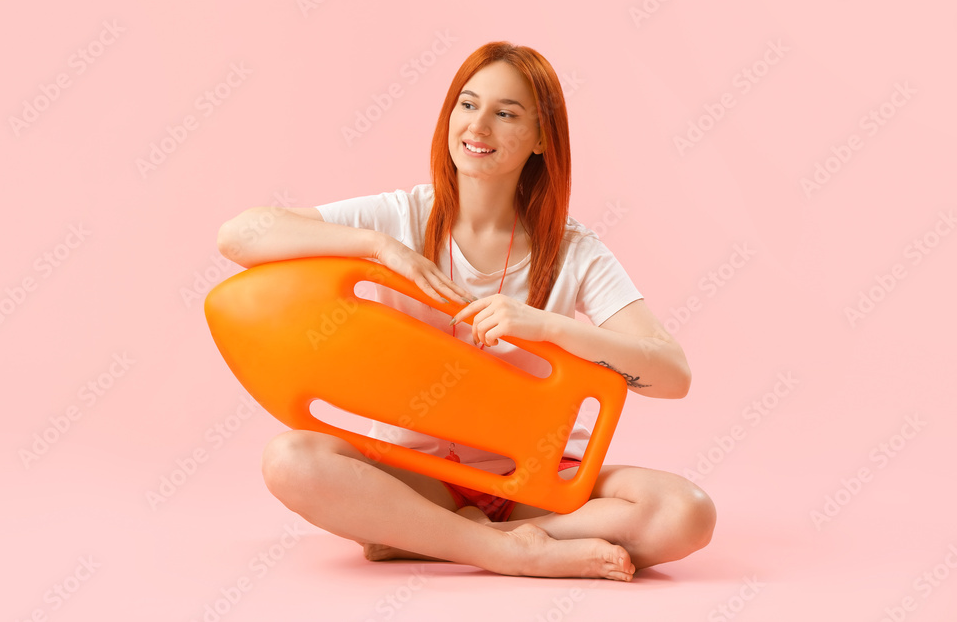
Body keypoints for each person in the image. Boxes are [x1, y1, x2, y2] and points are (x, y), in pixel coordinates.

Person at [216, 41, 715, 581]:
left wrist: (549, 327)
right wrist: (377, 247)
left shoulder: (574, 249)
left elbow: (672, 374)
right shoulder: (399, 216)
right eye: (468, 104)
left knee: (686, 511)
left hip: (541, 484)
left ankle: (437, 540)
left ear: (543, 138)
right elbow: (238, 236)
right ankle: (509, 553)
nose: (478, 127)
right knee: (289, 459)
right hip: (419, 478)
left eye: (506, 114)